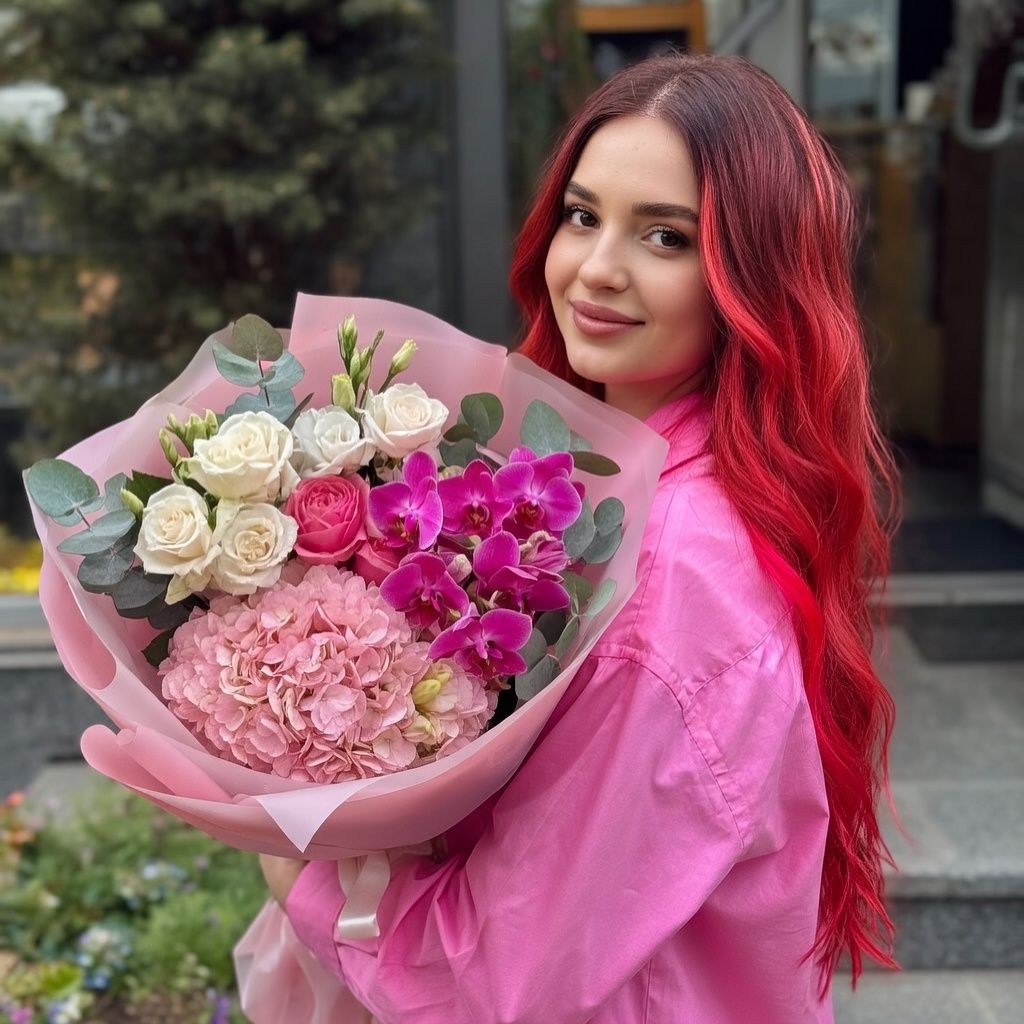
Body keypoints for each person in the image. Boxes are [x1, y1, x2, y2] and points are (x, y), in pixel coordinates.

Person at [260, 52, 899, 1023]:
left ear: (754, 278)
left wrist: (296, 866)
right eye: (583, 215)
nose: (597, 268)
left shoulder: (675, 569)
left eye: (666, 236)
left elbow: (502, 972)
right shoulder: (597, 490)